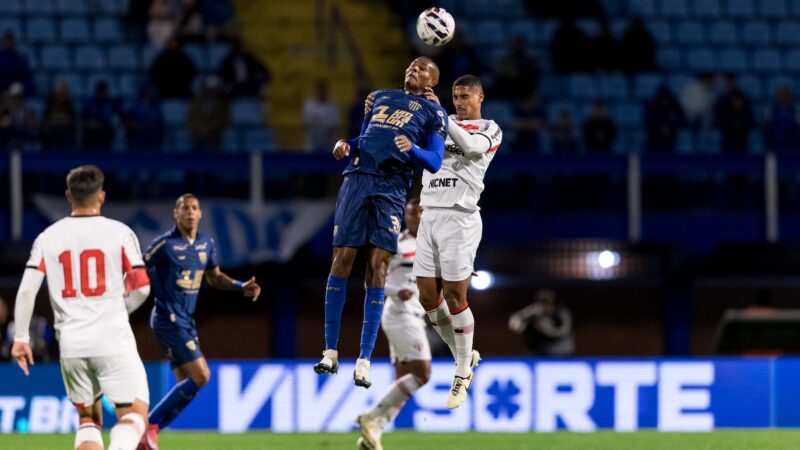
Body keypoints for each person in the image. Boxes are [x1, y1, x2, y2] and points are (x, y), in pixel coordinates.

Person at [314, 57, 448, 390]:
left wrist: (413, 148)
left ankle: (363, 360)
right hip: (357, 180)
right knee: (341, 260)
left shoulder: (434, 113)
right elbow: (367, 139)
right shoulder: (381, 97)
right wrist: (346, 143)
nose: (412, 69)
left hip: (390, 188)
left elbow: (434, 161)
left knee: (377, 266)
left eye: (421, 68)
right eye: (410, 66)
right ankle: (330, 351)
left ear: (431, 81)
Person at [11, 165, 152, 450]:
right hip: (112, 338)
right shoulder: (120, 233)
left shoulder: (47, 237)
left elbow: (27, 290)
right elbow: (141, 286)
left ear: (68, 195)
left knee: (88, 418)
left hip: (72, 344)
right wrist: (119, 311)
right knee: (134, 415)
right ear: (101, 196)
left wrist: (21, 338)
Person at [138, 194, 261, 450]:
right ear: (176, 213)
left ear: (200, 214)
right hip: (167, 318)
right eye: (185, 208)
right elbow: (138, 266)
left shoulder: (206, 243)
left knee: (188, 383)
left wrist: (240, 286)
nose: (190, 212)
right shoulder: (165, 244)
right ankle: (148, 427)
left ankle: (148, 437)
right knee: (202, 375)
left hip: (186, 321)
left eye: (194, 208)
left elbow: (214, 278)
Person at [413, 74, 501, 409]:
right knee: (427, 298)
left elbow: (471, 147)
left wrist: (441, 120)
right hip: (429, 213)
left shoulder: (490, 129)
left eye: (465, 96)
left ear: (480, 97)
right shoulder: (442, 120)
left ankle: (462, 372)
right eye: (454, 96)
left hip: (460, 217)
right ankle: (464, 355)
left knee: (453, 295)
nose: (459, 102)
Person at [355, 200, 431, 450]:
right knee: (422, 374)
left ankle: (373, 433)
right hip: (399, 314)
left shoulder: (436, 245)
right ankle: (372, 418)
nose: (415, 218)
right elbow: (370, 283)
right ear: (405, 217)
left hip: (414, 315)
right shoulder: (396, 244)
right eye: (411, 215)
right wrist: (397, 291)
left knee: (404, 380)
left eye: (419, 213)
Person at [508, 289, 574, 356]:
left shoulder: (561, 312)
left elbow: (563, 331)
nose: (543, 305)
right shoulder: (537, 313)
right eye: (541, 302)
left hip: (561, 352)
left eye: (546, 302)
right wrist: (522, 326)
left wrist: (545, 329)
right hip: (541, 352)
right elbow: (519, 324)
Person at [302, 80, 340, 152]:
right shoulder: (308, 105)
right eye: (319, 90)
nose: (321, 93)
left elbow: (333, 126)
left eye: (323, 91)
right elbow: (307, 124)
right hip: (311, 144)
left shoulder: (333, 106)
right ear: (315, 91)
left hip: (328, 144)